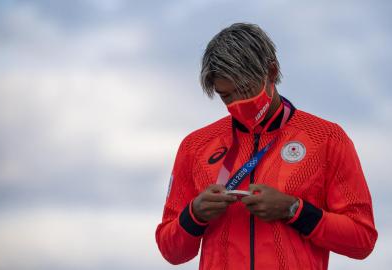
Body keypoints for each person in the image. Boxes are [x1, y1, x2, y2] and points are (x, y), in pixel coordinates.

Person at [155, 23, 377, 270]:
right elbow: (171, 251)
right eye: (226, 96)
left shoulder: (327, 139)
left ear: (271, 72)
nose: (237, 102)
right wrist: (194, 214)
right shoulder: (196, 146)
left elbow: (362, 239)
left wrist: (294, 209)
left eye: (245, 90)